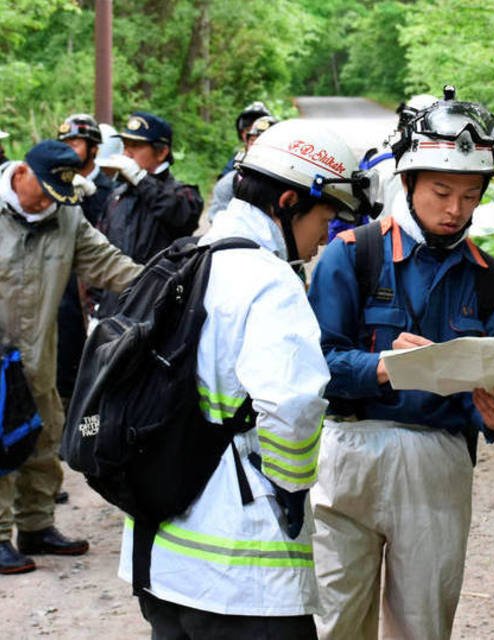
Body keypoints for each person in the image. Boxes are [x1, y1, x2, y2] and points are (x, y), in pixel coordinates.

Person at [119, 118, 368, 639]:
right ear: (288, 203)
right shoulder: (270, 281)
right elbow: (294, 411)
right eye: (326, 215)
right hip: (243, 568)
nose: (328, 234)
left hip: (158, 556)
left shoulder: (187, 258)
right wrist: (291, 492)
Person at [308, 90, 494, 640]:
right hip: (348, 454)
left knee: (424, 625)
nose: (455, 209)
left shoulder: (490, 281)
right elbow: (314, 367)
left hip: (438, 462)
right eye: (442, 191)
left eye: (470, 195)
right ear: (406, 182)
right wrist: (381, 366)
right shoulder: (352, 254)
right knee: (333, 623)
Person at [0, 140, 142, 575]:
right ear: (20, 172)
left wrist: (163, 283)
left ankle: (37, 526)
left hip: (39, 352)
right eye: (41, 191)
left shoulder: (66, 218)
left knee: (44, 435)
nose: (45, 202)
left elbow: (106, 262)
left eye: (55, 197)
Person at [95, 111, 202, 317]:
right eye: (126, 145)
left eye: (136, 146)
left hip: (155, 311)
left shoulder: (183, 194)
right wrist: (95, 307)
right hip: (112, 310)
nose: (127, 153)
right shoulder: (117, 196)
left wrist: (141, 179)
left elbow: (180, 215)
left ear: (161, 152)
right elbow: (99, 250)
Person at [55, 114, 118, 412]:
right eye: (64, 142)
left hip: (98, 285)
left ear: (94, 148)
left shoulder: (109, 191)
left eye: (75, 142)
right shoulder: (53, 186)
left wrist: (87, 199)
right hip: (61, 283)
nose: (69, 148)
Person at [207, 114, 277, 223]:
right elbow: (218, 223)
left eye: (266, 143)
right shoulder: (229, 183)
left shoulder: (291, 187)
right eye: (253, 142)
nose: (258, 149)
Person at [219, 100, 272, 178]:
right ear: (242, 134)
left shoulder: (277, 159)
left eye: (259, 132)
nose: (253, 135)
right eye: (248, 130)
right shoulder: (236, 161)